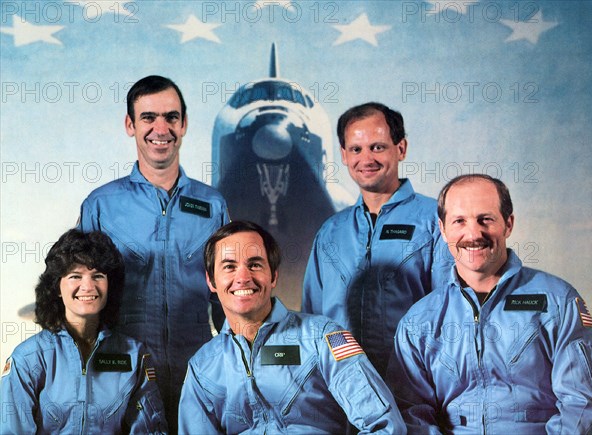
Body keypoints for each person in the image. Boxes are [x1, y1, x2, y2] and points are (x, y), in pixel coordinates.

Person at [388, 174, 592, 433]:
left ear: (508, 224)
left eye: (485, 219)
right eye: (459, 221)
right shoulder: (419, 321)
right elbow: (412, 414)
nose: (473, 234)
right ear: (443, 230)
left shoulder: (558, 302)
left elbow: (582, 403)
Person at [78, 75, 229, 430]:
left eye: (171, 117)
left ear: (184, 124)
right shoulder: (102, 205)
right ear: (130, 125)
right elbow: (81, 298)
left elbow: (226, 297)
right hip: (121, 372)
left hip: (198, 370)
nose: (160, 128)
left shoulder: (213, 205)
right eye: (148, 117)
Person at [179, 221, 406, 434]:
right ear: (211, 281)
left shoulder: (325, 338)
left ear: (273, 276)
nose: (243, 277)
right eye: (229, 266)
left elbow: (385, 425)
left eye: (255, 264)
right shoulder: (202, 367)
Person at [303, 102, 450, 376]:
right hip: (343, 387)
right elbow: (313, 319)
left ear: (401, 149)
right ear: (344, 155)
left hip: (414, 384)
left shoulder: (436, 221)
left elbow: (450, 312)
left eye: (378, 147)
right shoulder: (331, 232)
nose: (366, 159)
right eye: (356, 149)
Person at [0, 229, 167, 433]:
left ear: (110, 285)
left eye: (97, 276)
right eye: (75, 276)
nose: (88, 286)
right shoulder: (29, 359)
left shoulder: (134, 356)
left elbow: (150, 430)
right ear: (57, 287)